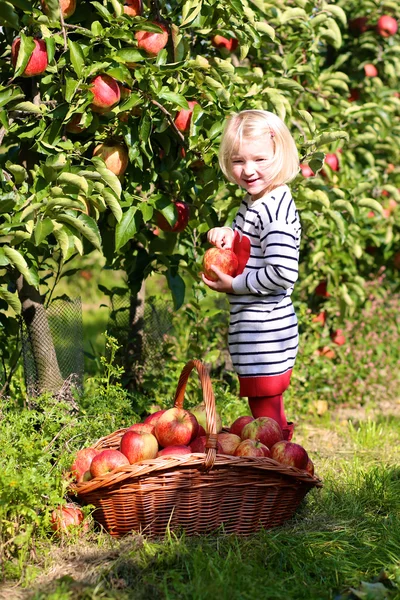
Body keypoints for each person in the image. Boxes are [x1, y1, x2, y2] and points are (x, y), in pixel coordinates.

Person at [202, 109, 300, 441]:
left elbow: (282, 272)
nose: (248, 170)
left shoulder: (274, 210)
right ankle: (284, 460)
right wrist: (230, 235)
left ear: (280, 153)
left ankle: (281, 470)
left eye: (259, 158)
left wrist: (234, 284)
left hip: (266, 332)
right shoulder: (256, 201)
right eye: (238, 161)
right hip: (257, 330)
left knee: (266, 414)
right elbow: (251, 246)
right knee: (267, 409)